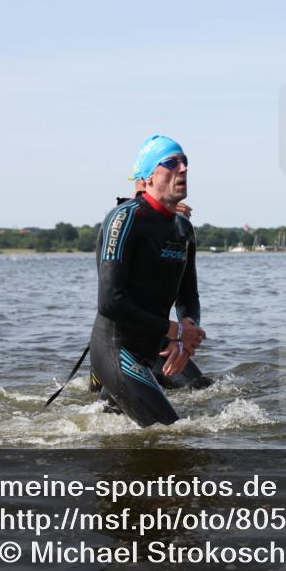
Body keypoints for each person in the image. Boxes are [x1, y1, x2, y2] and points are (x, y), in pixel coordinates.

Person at [88, 134, 206, 427]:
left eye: (185, 162)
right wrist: (175, 330)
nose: (183, 169)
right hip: (117, 349)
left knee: (200, 389)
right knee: (171, 433)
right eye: (171, 163)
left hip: (152, 348)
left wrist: (187, 328)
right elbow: (110, 303)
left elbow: (188, 295)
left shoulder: (183, 229)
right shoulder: (124, 219)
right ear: (148, 178)